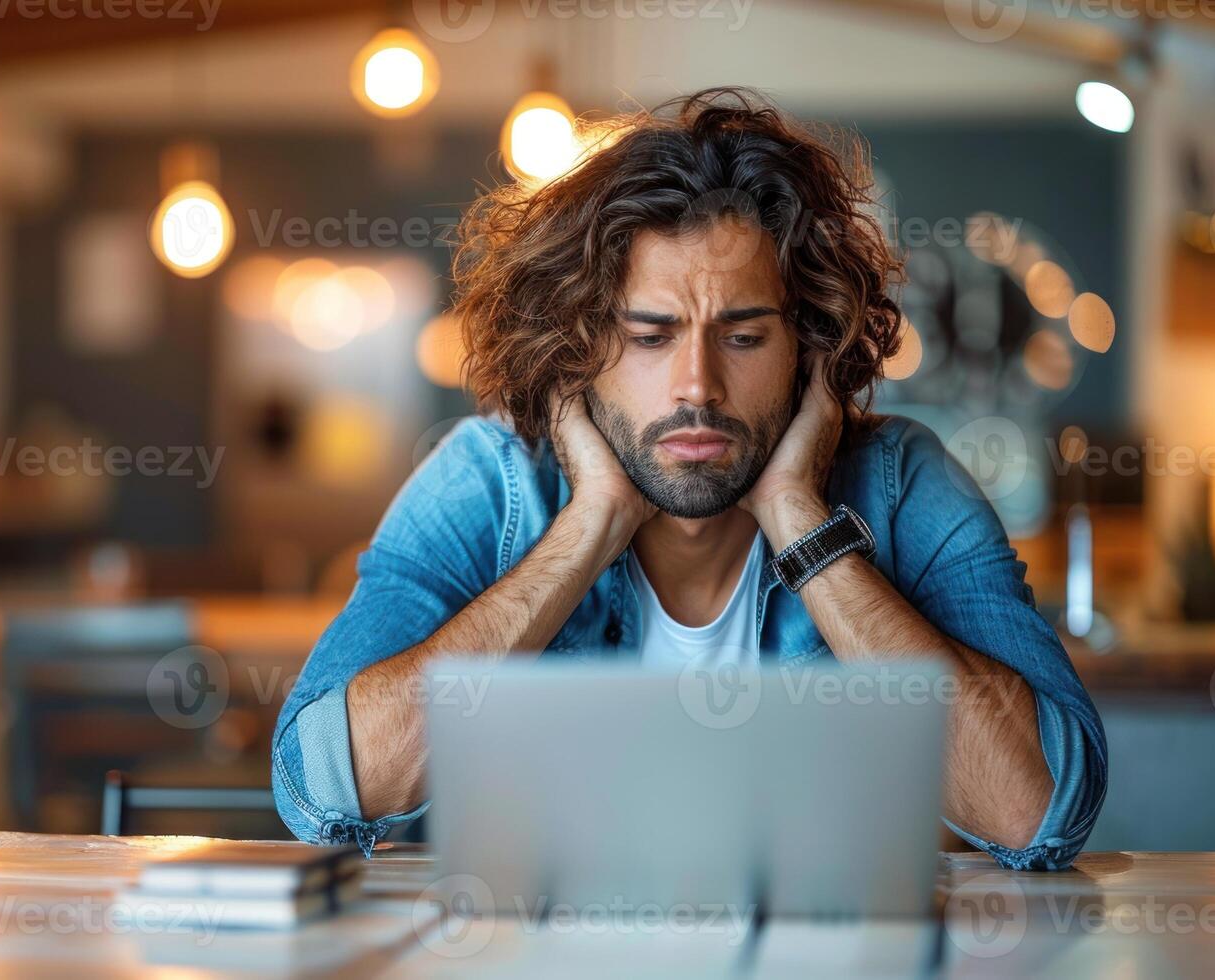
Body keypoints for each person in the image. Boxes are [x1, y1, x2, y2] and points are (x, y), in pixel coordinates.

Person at [271, 87, 1106, 871]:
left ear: (810, 349)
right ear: (576, 353)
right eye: (648, 336)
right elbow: (324, 792)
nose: (697, 386)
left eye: (742, 337)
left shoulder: (899, 484)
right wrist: (586, 527)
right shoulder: (486, 484)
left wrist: (800, 524)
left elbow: (1038, 815)